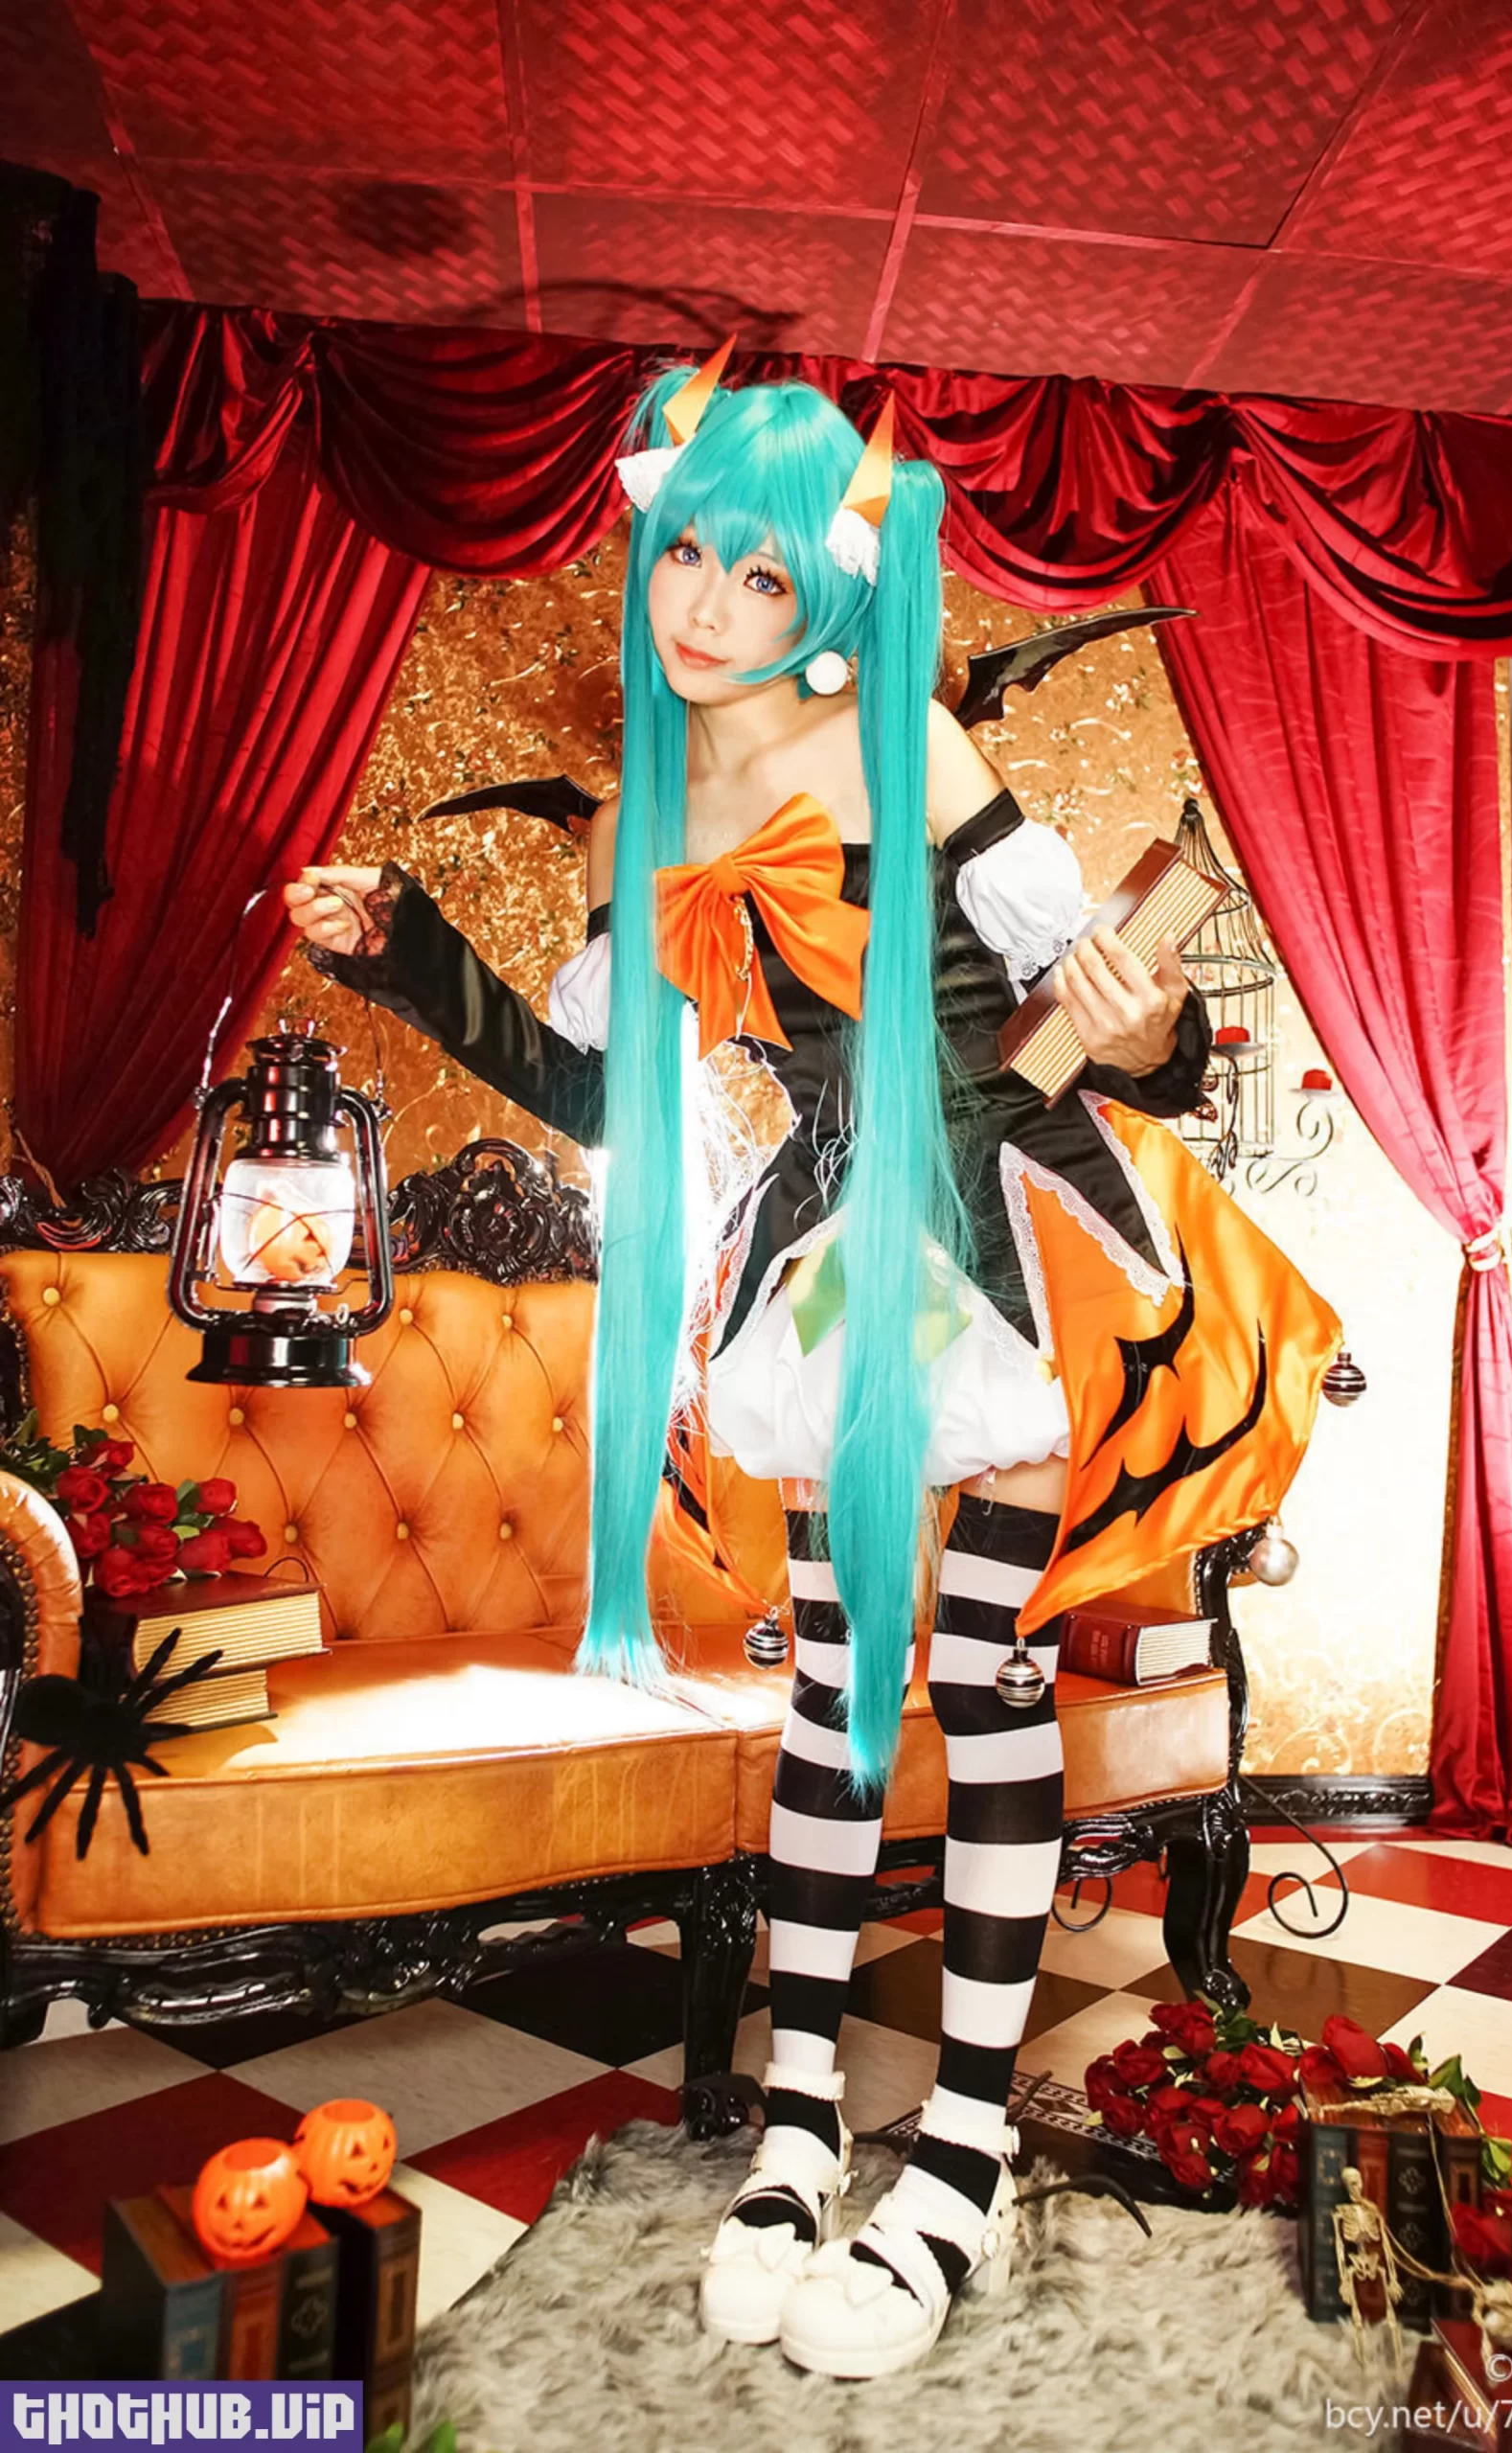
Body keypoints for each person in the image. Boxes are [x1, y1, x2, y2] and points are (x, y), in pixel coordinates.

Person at [283, 357, 1318, 2379]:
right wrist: (402, 947)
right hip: (839, 1253)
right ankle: (795, 2123)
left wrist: (1142, 1022)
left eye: (763, 574)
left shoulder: (909, 742)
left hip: (1019, 1230)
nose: (709, 605)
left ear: (828, 589)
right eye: (692, 556)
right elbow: (605, 1088)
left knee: (983, 1675)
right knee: (837, 1693)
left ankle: (962, 2156)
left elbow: (1134, 1044)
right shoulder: (646, 812)